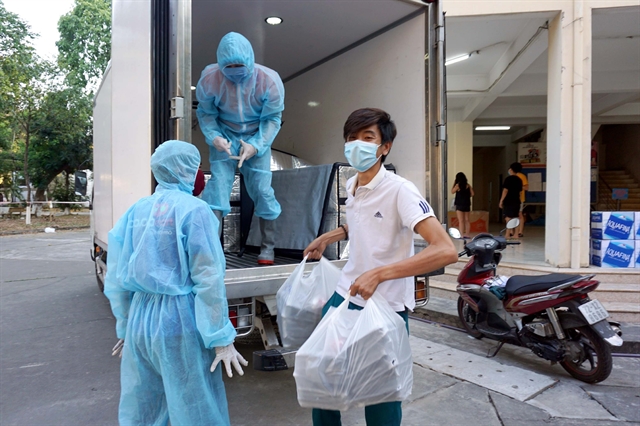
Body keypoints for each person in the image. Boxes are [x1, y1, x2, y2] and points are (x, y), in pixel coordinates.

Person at [303, 108, 458, 426]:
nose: (357, 144)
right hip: (344, 296)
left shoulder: (401, 190)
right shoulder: (352, 186)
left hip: (384, 307)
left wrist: (380, 273)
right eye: (351, 138)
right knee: (322, 379)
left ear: (385, 147)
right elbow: (359, 222)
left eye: (367, 137)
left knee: (381, 395)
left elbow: (445, 250)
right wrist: (330, 235)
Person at [104, 140, 247, 426]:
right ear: (185, 171)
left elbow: (117, 276)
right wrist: (220, 337)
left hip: (140, 323)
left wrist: (124, 325)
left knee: (146, 406)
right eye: (196, 169)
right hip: (180, 320)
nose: (200, 176)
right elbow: (208, 278)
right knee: (194, 406)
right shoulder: (195, 211)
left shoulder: (136, 211)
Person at [196, 32, 285, 265]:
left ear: (250, 59)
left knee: (263, 190)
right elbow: (206, 113)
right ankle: (212, 252)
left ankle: (268, 248)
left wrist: (256, 146)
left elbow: (273, 118)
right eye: (229, 66)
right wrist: (215, 137)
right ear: (220, 62)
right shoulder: (208, 78)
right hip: (224, 134)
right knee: (217, 189)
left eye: (239, 65)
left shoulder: (269, 80)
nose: (234, 70)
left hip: (256, 136)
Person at [499, 162, 523, 239]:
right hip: (516, 200)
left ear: (512, 169)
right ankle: (516, 234)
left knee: (508, 217)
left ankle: (508, 234)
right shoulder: (519, 180)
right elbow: (520, 191)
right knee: (515, 217)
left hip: (508, 201)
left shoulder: (508, 179)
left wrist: (501, 200)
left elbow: (505, 191)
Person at [451, 172, 474, 238]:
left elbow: (452, 191)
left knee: (461, 221)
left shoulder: (458, 186)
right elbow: (472, 194)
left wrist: (454, 183)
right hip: (467, 204)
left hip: (459, 204)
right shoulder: (468, 185)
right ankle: (467, 234)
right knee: (467, 220)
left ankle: (461, 235)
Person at [513, 162, 528, 238]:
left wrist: (518, 186)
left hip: (520, 198)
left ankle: (520, 231)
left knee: (519, 215)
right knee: (512, 215)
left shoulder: (522, 176)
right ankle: (513, 231)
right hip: (512, 198)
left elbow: (526, 187)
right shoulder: (512, 176)